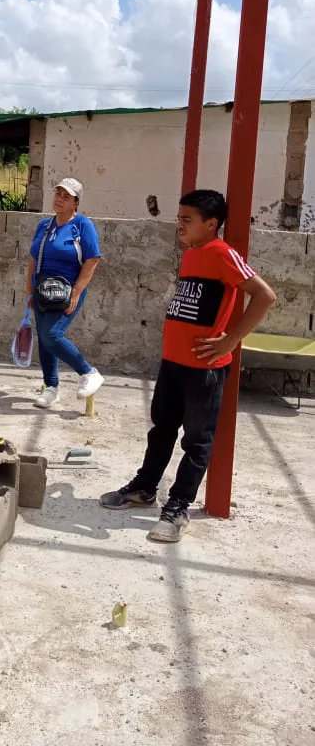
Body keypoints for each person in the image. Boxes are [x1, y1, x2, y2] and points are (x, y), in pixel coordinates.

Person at [100, 189, 276, 543]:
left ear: (211, 224)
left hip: (204, 369)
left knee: (196, 441)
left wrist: (231, 339)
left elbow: (264, 295)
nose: (179, 224)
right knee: (161, 430)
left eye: (187, 220)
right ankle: (145, 488)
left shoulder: (223, 254)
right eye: (178, 217)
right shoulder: (192, 254)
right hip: (173, 363)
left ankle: (178, 507)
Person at [26, 178, 103, 409]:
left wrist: (77, 292)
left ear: (76, 202)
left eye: (66, 196)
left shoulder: (83, 225)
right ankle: (51, 388)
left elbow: (92, 260)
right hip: (42, 290)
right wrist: (29, 290)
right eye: (58, 194)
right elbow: (33, 258)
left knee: (52, 334)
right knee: (44, 338)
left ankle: (88, 372)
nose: (59, 199)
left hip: (68, 290)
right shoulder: (44, 226)